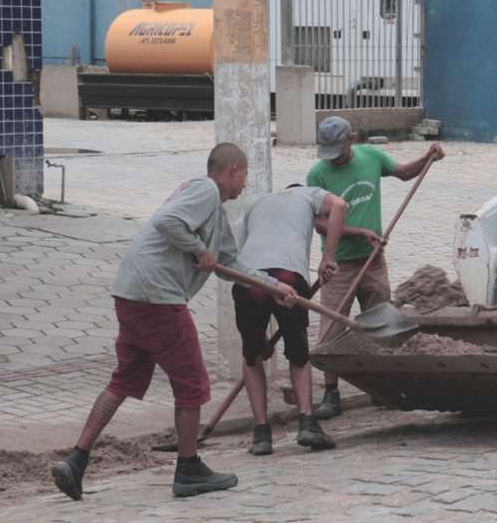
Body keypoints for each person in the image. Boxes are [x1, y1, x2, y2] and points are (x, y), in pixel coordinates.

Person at [50, 143, 298, 500]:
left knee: (123, 381)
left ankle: (76, 460)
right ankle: (188, 467)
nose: (245, 184)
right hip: (157, 295)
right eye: (244, 175)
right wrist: (198, 250)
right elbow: (167, 222)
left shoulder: (216, 213)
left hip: (132, 292)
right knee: (192, 383)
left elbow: (232, 264)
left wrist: (274, 286)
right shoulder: (204, 190)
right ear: (232, 170)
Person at [306, 116, 444, 419]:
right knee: (332, 326)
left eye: (338, 151)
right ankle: (331, 392)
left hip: (372, 261)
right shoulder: (317, 174)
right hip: (338, 263)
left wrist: (428, 156)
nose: (335, 159)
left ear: (351, 139)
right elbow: (319, 223)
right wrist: (359, 232)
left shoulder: (371, 156)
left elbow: (405, 173)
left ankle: (381, 386)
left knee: (381, 319)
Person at [232, 183, 348, 455]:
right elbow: (340, 206)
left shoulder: (257, 203)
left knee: (252, 356)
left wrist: (261, 340)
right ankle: (307, 422)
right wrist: (328, 257)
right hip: (288, 278)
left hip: (249, 280)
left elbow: (243, 253)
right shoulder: (310, 194)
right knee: (298, 356)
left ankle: (261, 434)